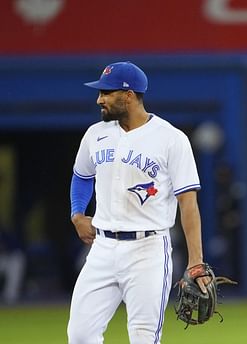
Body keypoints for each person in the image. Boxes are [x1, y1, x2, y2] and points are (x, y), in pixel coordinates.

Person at [67, 61, 210, 344]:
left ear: (128, 95)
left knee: (144, 338)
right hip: (102, 249)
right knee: (80, 335)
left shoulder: (171, 139)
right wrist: (77, 213)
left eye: (106, 93)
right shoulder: (96, 134)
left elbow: (188, 204)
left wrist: (196, 261)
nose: (99, 99)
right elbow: (81, 176)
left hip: (148, 250)